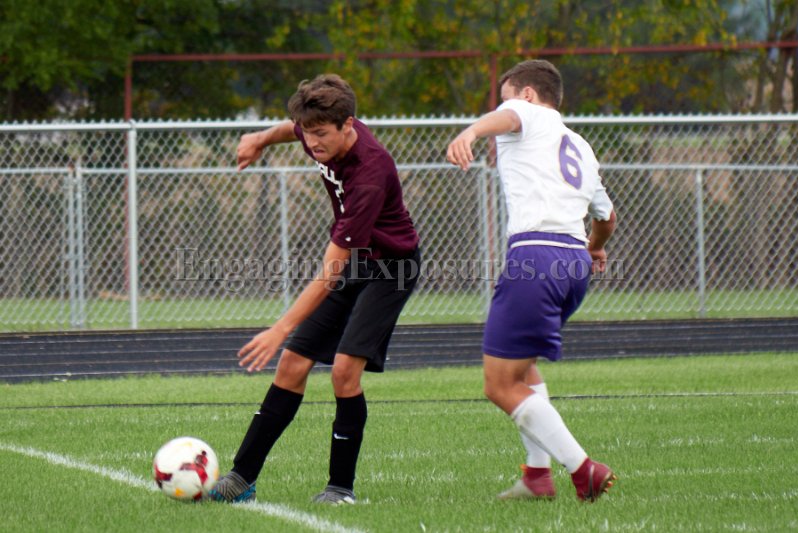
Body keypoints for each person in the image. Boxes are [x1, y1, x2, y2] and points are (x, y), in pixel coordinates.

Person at [209, 74, 421, 505]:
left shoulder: (370, 172)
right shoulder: (318, 132)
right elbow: (292, 130)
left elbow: (328, 273)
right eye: (308, 132)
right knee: (291, 364)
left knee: (344, 371)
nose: (312, 141)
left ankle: (340, 488)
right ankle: (241, 479)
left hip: (391, 269)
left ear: (349, 125)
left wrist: (280, 327)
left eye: (321, 133)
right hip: (357, 259)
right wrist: (259, 139)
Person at [446, 59, 617, 502]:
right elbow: (607, 217)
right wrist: (595, 247)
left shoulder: (527, 112)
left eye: (506, 99)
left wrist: (471, 132)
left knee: (499, 384)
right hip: (573, 264)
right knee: (522, 367)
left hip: (535, 257)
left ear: (526, 94)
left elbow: (509, 117)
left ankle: (583, 469)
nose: (503, 109)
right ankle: (537, 477)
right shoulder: (580, 145)